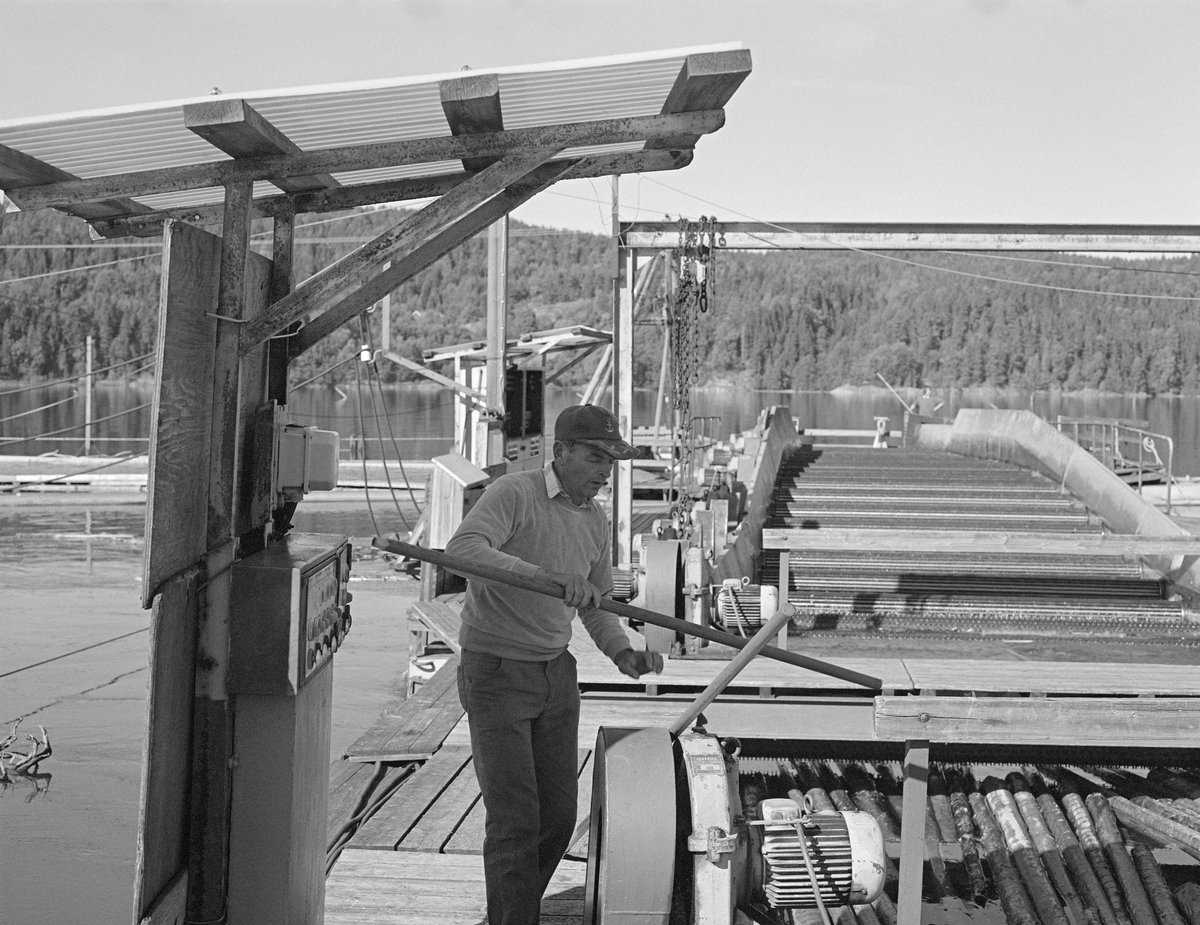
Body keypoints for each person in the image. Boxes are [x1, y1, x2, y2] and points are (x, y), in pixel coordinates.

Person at [445, 403, 664, 925]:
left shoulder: (594, 520)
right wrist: (545, 576)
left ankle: (512, 913)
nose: (603, 471)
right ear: (560, 451)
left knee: (559, 818)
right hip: (496, 671)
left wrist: (623, 652)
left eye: (610, 461)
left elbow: (599, 605)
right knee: (515, 820)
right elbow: (464, 551)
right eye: (595, 457)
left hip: (556, 676)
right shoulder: (513, 493)